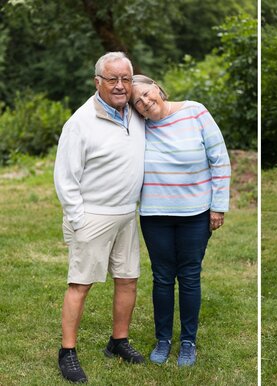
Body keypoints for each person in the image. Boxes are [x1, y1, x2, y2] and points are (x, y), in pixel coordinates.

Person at [54, 51, 147, 383]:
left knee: (128, 279)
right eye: (112, 79)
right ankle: (68, 352)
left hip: (127, 215)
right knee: (81, 284)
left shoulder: (135, 113)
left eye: (126, 78)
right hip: (92, 215)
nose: (120, 86)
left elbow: (158, 95)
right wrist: (78, 219)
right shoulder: (80, 122)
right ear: (98, 82)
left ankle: (118, 342)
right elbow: (65, 177)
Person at [129, 75, 231, 366]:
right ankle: (163, 339)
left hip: (195, 214)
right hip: (155, 215)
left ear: (159, 89)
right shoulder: (139, 128)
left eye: (148, 94)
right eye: (139, 102)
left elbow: (219, 159)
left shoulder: (195, 111)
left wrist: (218, 206)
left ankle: (188, 341)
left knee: (189, 276)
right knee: (161, 277)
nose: (146, 102)